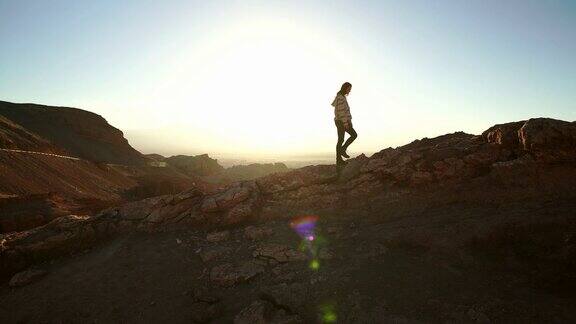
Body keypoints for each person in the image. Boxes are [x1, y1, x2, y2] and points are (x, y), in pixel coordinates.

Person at [331, 82, 357, 165]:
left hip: (342, 121)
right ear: (345, 88)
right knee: (352, 135)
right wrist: (346, 123)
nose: (349, 91)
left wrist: (349, 121)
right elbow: (341, 111)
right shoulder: (341, 98)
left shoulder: (342, 97)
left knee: (342, 139)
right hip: (341, 121)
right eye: (349, 89)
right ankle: (341, 154)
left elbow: (345, 112)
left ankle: (339, 157)